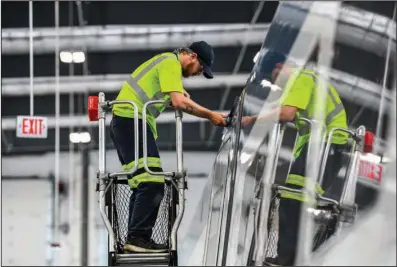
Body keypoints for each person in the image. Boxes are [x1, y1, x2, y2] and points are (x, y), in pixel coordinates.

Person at [109, 41, 227, 253]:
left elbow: (179, 102)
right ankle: (137, 238)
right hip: (131, 122)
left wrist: (208, 115)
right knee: (152, 182)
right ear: (192, 56)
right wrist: (210, 114)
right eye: (200, 68)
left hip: (129, 124)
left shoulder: (166, 66)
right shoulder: (170, 63)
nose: (198, 73)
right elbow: (180, 103)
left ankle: (136, 238)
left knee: (143, 183)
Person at [242, 51, 349, 266]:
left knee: (293, 200)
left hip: (323, 147)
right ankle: (290, 256)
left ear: (280, 67)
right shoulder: (306, 80)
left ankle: (285, 258)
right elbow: (284, 110)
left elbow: (287, 113)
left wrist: (254, 119)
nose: (275, 84)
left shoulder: (302, 77)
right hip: (321, 148)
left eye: (273, 77)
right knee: (294, 199)